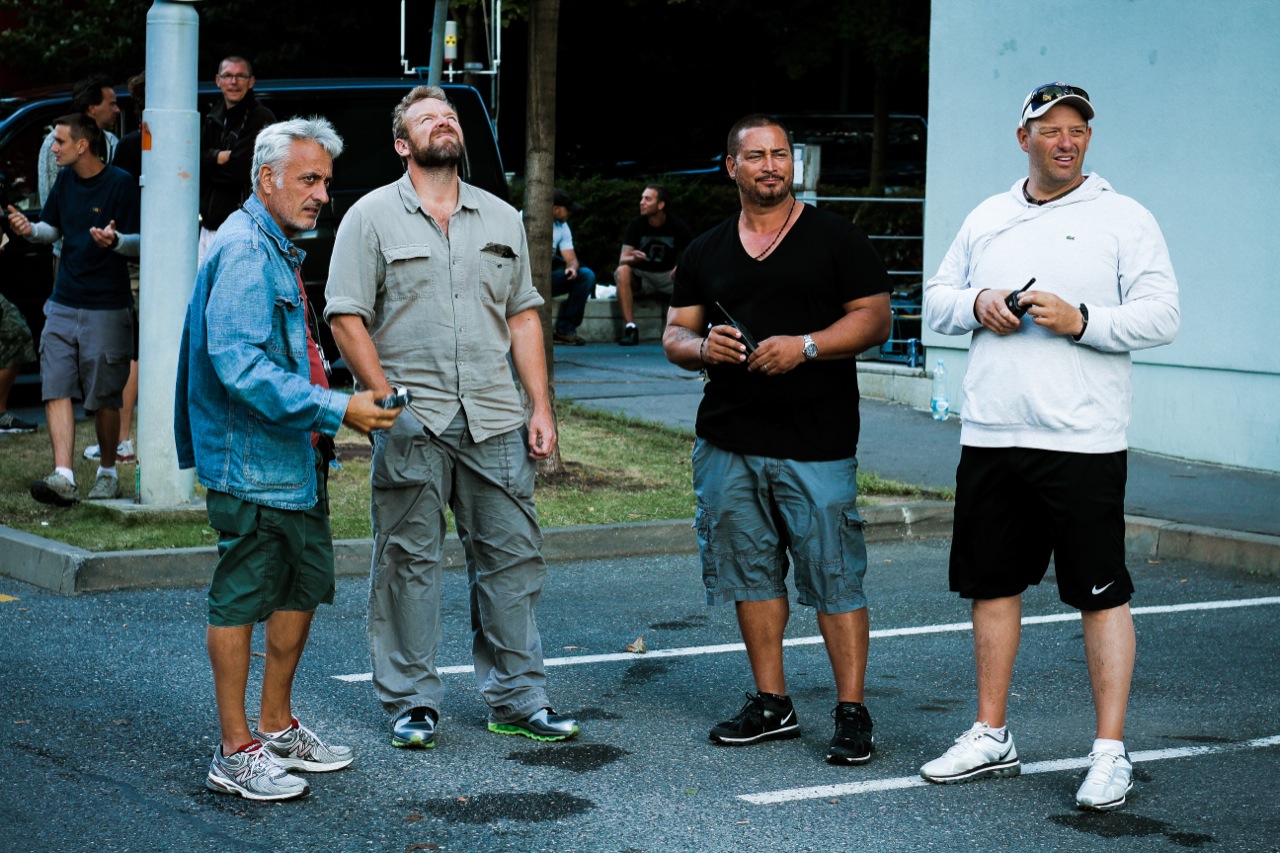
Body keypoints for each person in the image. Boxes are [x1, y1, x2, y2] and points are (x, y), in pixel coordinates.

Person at [919, 83, 1180, 811]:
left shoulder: (1124, 218)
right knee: (992, 586)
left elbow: (1164, 314)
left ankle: (1108, 751)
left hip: (1083, 440)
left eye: (1077, 130)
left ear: (1088, 140)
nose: (1065, 141)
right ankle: (991, 736)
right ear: (1022, 137)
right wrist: (978, 303)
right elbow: (935, 297)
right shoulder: (987, 215)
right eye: (1051, 130)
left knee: (1101, 593)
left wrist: (1082, 317)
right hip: (993, 433)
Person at [326, 85, 580, 750]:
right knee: (408, 560)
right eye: (426, 118)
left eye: (450, 115)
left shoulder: (500, 217)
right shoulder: (370, 216)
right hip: (415, 420)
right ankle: (412, 701)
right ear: (402, 144)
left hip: (497, 414)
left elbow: (523, 314)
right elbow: (346, 313)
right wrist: (383, 396)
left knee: (513, 559)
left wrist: (541, 405)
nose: (443, 123)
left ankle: (519, 698)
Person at [176, 117, 399, 801]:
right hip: (253, 464)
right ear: (266, 179)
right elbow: (237, 365)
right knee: (240, 597)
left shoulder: (276, 246)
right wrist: (340, 409)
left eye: (326, 181)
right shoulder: (245, 249)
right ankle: (235, 749)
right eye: (309, 179)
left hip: (295, 459)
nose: (322, 194)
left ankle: (274, 726)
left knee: (301, 587)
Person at [662, 114, 891, 764]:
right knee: (752, 575)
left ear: (794, 164)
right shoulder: (705, 250)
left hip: (815, 441)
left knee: (835, 576)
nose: (771, 165)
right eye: (756, 155)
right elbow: (674, 333)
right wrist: (702, 344)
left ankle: (852, 711)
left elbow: (876, 318)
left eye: (781, 154)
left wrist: (808, 347)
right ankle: (773, 702)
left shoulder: (835, 239)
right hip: (728, 442)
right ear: (731, 166)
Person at [7, 113, 139, 505]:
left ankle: (108, 472)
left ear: (82, 145)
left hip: (107, 306)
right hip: (63, 300)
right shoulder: (65, 180)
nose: (53, 149)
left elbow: (140, 240)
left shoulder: (121, 183)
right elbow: (53, 229)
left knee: (103, 397)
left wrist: (115, 241)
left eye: (59, 142)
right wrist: (31, 231)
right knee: (56, 384)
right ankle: (63, 475)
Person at [84, 70, 144, 466]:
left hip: (133, 258)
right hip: (143, 252)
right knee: (136, 347)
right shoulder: (135, 146)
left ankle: (122, 439)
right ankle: (122, 438)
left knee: (130, 349)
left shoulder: (126, 147)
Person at [36, 73, 120, 272]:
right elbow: (52, 205)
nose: (117, 110)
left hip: (106, 256)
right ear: (92, 108)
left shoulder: (111, 141)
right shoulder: (56, 143)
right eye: (111, 104)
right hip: (69, 257)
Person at [198, 56, 275, 262]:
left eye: (241, 76)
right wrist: (216, 157)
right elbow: (193, 164)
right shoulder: (212, 117)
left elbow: (240, 172)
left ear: (251, 81)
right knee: (206, 292)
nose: (234, 82)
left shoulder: (260, 118)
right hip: (209, 228)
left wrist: (206, 163)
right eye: (228, 76)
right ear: (218, 80)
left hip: (245, 230)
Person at [616, 184, 694, 346]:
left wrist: (681, 266)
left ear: (660, 205)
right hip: (642, 278)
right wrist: (633, 258)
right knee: (622, 271)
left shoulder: (676, 225)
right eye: (642, 198)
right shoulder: (636, 225)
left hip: (667, 277)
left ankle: (694, 329)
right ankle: (631, 328)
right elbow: (623, 259)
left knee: (695, 275)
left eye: (647, 199)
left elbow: (695, 254)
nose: (641, 202)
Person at [550, 188, 595, 346]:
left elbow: (572, 259)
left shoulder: (562, 227)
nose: (570, 213)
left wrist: (572, 268)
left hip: (545, 279)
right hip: (521, 279)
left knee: (586, 275)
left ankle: (565, 330)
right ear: (555, 208)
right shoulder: (522, 218)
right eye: (567, 210)